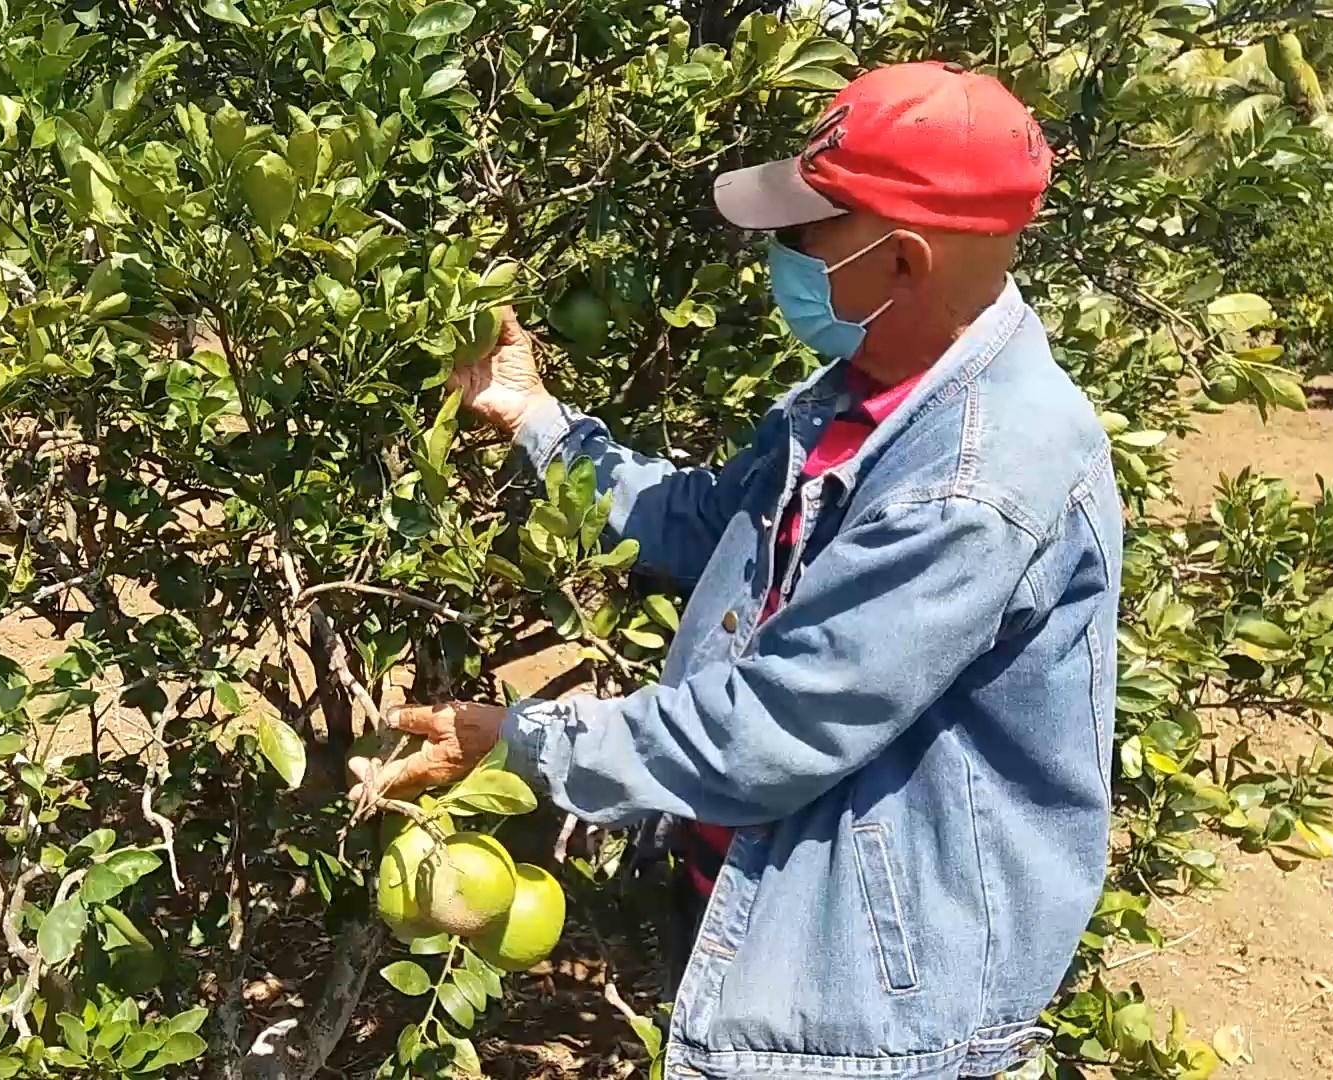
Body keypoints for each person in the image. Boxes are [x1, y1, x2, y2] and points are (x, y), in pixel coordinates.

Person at [349, 61, 1121, 1080]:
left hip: (863, 1002)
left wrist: (522, 742)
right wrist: (533, 415)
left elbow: (778, 726)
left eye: (810, 235)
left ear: (904, 262)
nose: (784, 256)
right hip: (759, 910)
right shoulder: (857, 390)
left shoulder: (979, 480)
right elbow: (704, 522)